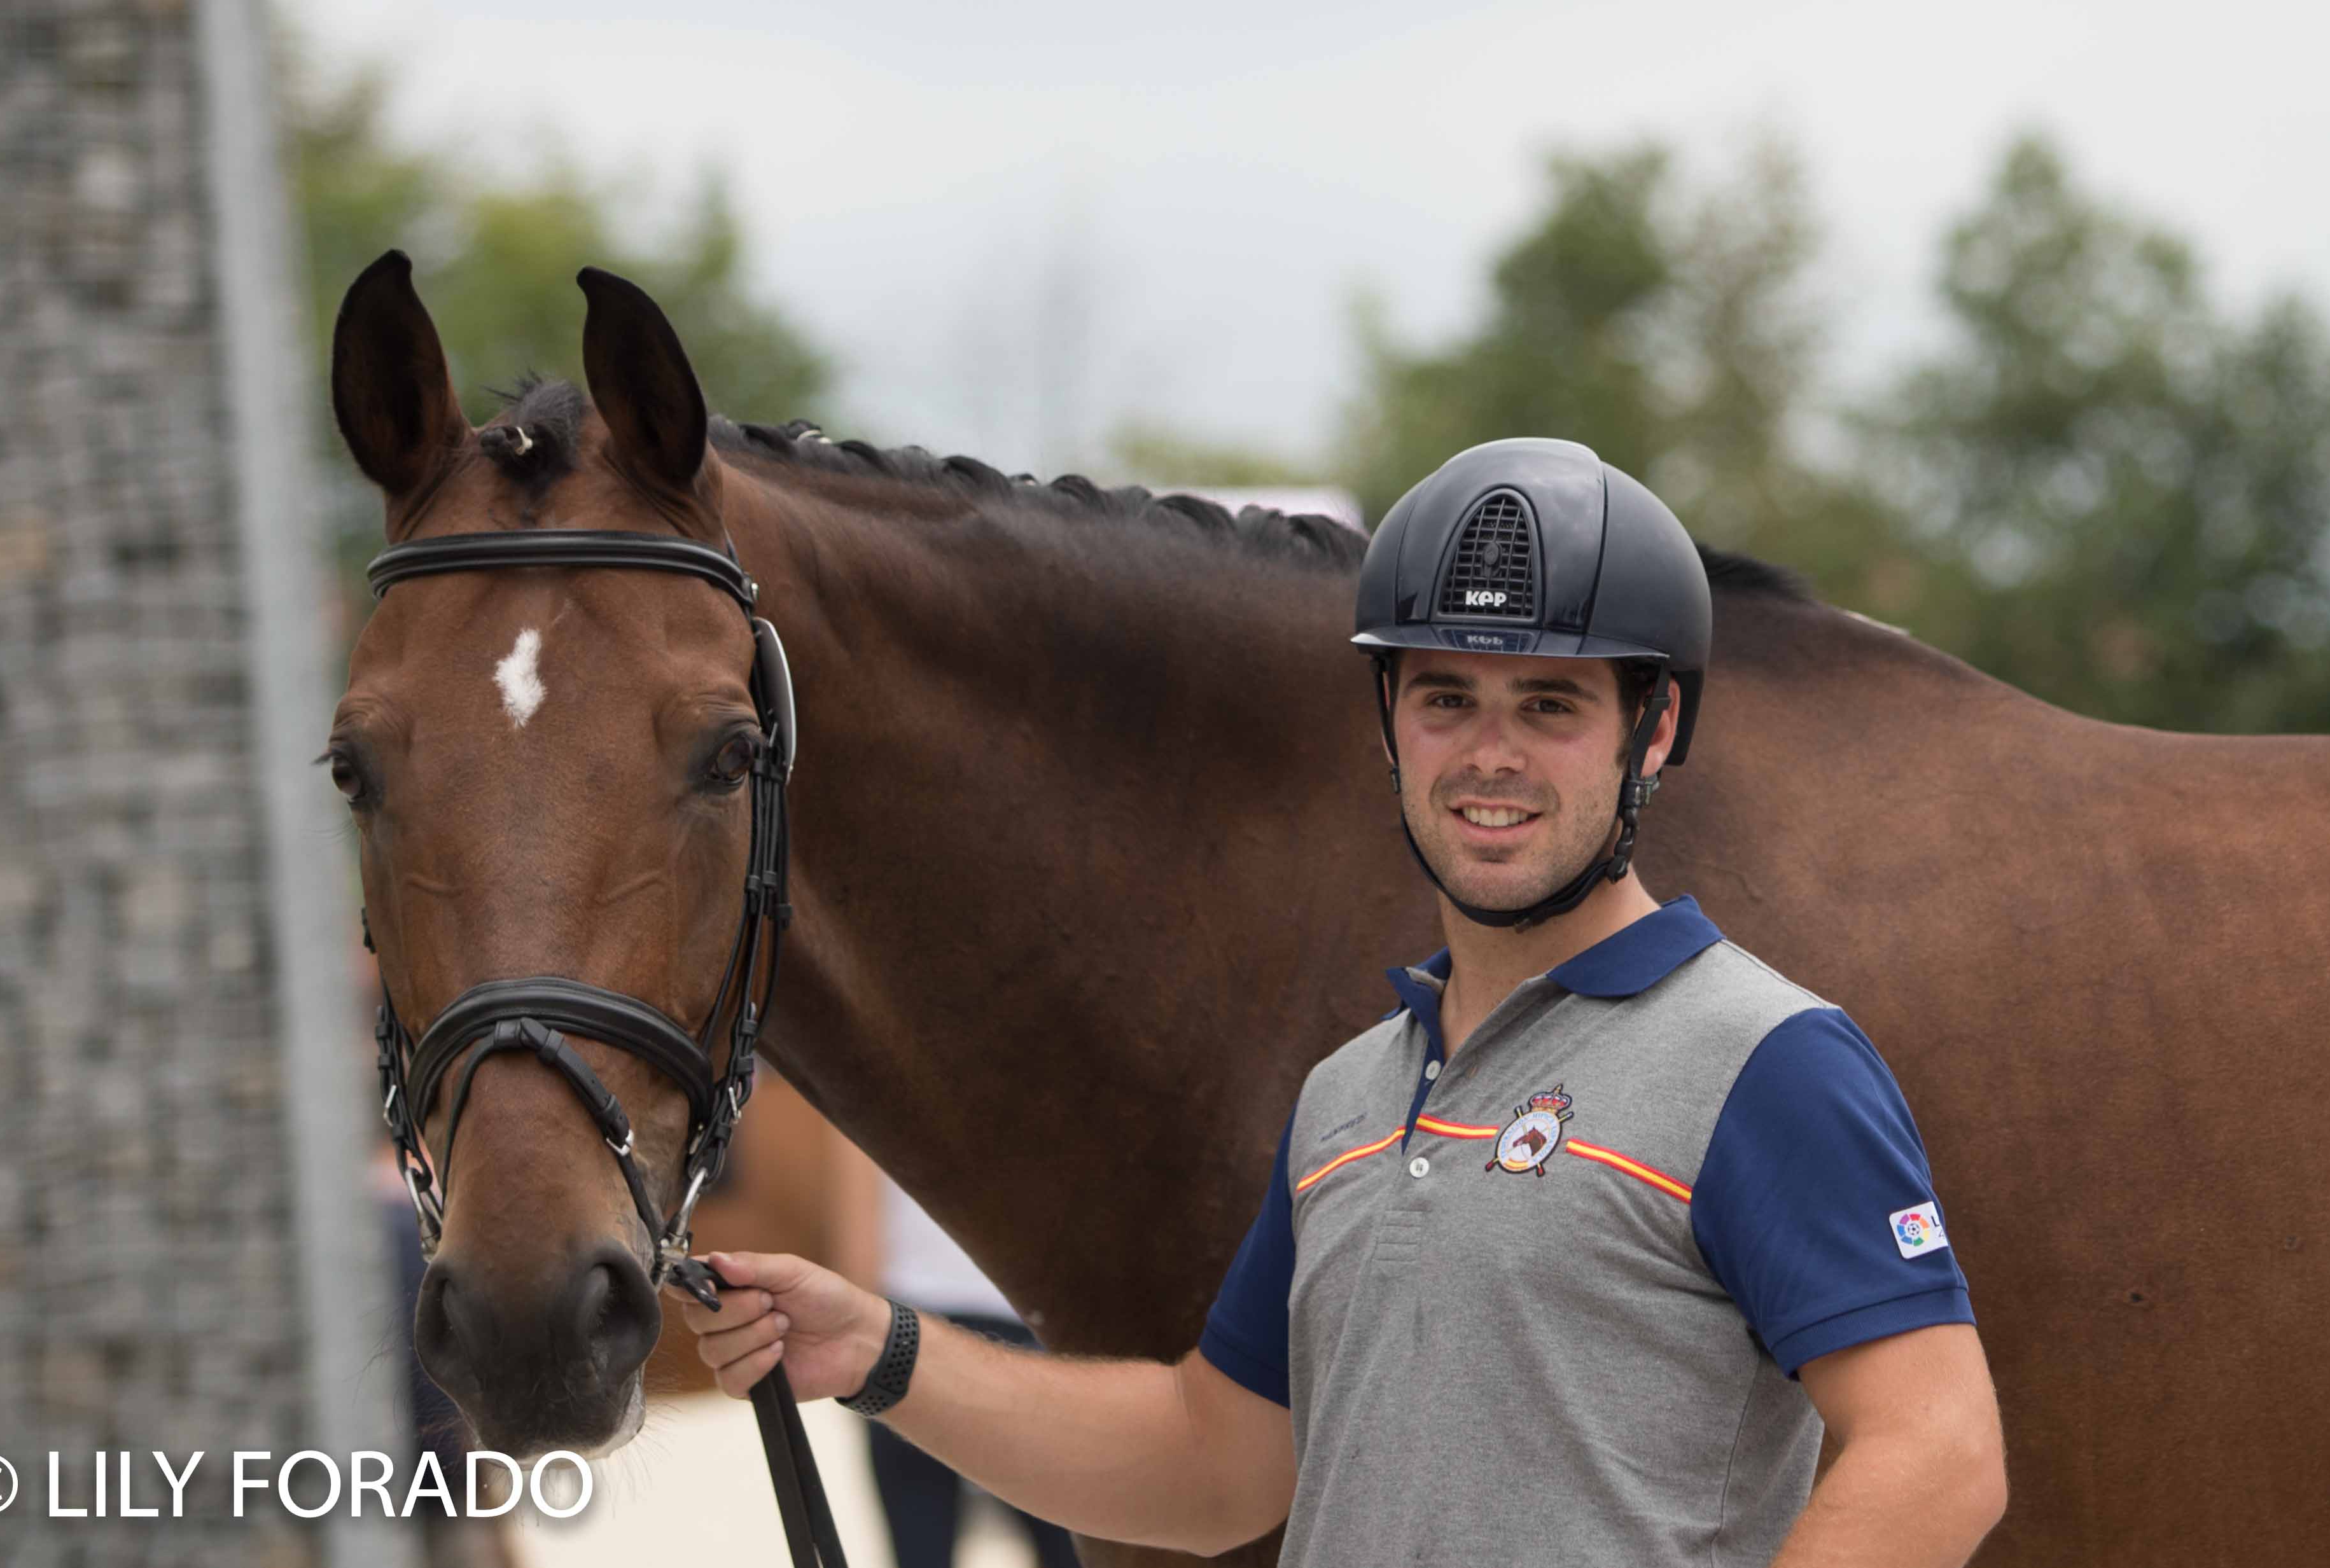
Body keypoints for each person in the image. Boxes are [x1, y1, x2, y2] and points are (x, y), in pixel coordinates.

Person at [676, 439, 2007, 1564]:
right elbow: (1212, 1465)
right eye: (1446, 697)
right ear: (1387, 725)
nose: (1490, 752)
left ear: (1652, 730)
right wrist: (878, 1345)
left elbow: (1938, 1449)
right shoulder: (1354, 1095)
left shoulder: (1766, 1058)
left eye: (1551, 702)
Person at [866, 1177, 1081, 1568]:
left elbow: (856, 1236)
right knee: (1070, 1549)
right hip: (1022, 1329)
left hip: (908, 1329)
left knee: (919, 1548)